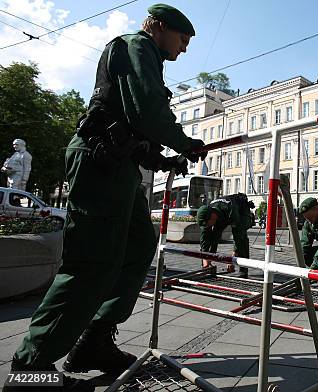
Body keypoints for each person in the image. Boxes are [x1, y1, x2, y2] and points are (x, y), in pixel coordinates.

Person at [3, 5, 204, 392]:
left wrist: (161, 157)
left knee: (137, 245)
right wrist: (184, 140)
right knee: (92, 259)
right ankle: (29, 368)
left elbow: (131, 121)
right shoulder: (136, 45)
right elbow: (146, 107)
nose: (184, 50)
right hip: (98, 162)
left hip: (118, 164)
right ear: (159, 28)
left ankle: (94, 342)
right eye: (182, 39)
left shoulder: (148, 55)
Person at [197, 193, 255, 278]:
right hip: (222, 214)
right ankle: (209, 262)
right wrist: (205, 260)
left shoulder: (231, 210)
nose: (207, 226)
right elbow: (204, 239)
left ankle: (243, 269)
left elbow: (237, 237)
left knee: (241, 238)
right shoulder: (207, 212)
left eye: (207, 224)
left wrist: (232, 259)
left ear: (212, 217)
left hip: (241, 210)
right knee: (214, 234)